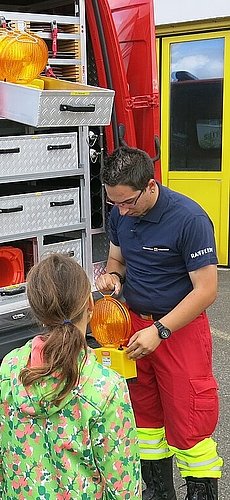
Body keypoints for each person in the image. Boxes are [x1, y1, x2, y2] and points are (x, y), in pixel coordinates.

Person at [95, 146, 222, 500]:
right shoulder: (121, 214)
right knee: (144, 416)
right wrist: (113, 279)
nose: (121, 210)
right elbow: (116, 260)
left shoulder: (190, 219)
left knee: (189, 417)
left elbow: (207, 290)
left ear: (151, 186)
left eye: (128, 202)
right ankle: (157, 490)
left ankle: (200, 491)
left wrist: (161, 330)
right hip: (135, 327)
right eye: (113, 203)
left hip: (179, 331)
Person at [0, 253, 141, 499]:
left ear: (37, 313)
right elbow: (123, 482)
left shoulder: (10, 368)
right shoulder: (105, 386)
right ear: (90, 306)